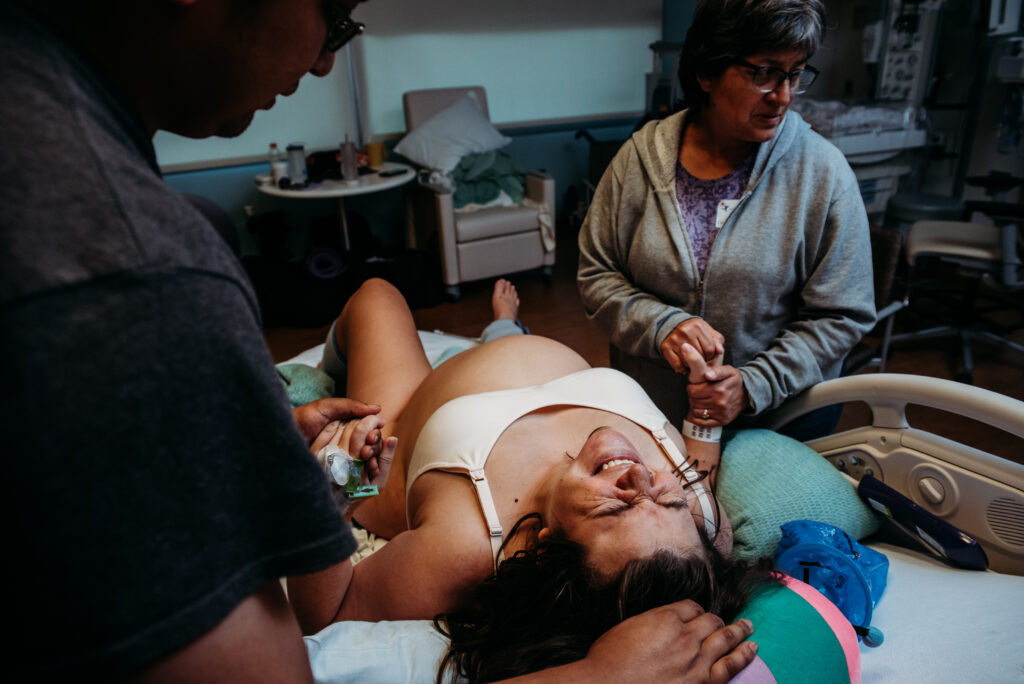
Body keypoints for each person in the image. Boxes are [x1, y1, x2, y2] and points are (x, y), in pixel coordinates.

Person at [0, 0, 391, 679]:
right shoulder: (143, 276)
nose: (326, 61)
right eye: (332, 16)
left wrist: (245, 443)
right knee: (380, 297)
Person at [287, 278, 765, 682]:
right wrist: (704, 414)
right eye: (668, 500)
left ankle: (323, 372)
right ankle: (503, 330)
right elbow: (698, 465)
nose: (639, 473)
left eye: (618, 504)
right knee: (497, 342)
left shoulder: (465, 547)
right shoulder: (698, 537)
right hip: (520, 362)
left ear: (544, 545)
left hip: (413, 413)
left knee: (376, 294)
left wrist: (332, 507)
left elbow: (327, 615)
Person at [577, 0, 877, 442]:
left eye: (795, 74)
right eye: (764, 73)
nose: (783, 96)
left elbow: (842, 315)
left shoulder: (821, 173)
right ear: (707, 73)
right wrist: (662, 326)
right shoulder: (638, 162)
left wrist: (754, 384)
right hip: (652, 414)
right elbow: (597, 275)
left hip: (776, 424)